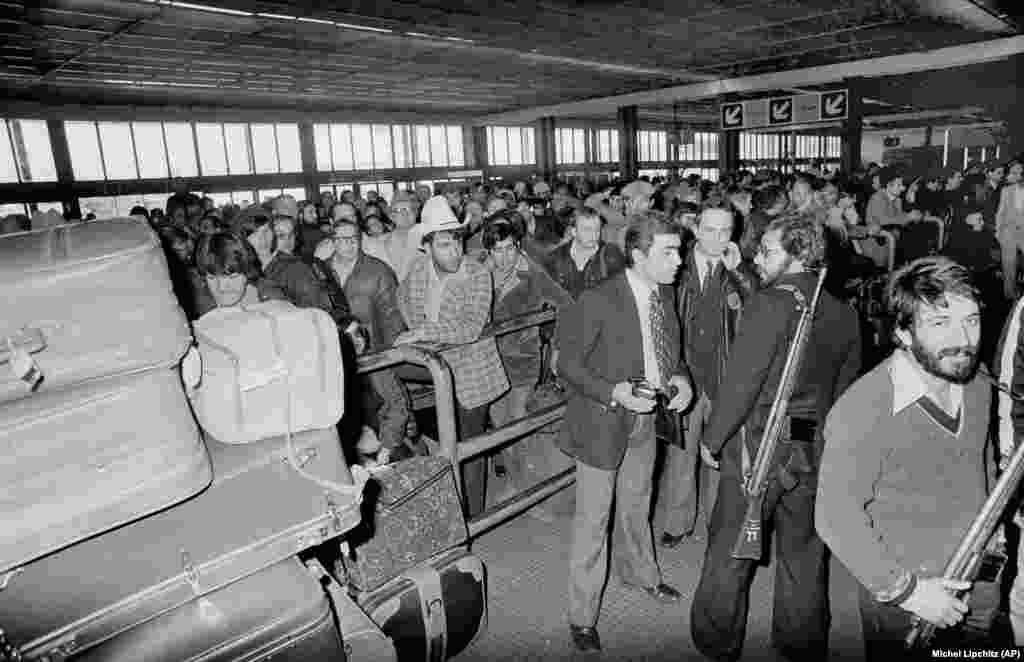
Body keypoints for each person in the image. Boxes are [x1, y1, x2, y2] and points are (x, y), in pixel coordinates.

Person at [690, 213, 861, 662]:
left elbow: (741, 385)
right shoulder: (844, 313)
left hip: (758, 444)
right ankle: (800, 643)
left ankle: (716, 643)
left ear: (798, 254)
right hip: (811, 444)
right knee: (804, 554)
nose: (757, 259)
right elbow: (844, 396)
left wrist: (712, 439)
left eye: (767, 251)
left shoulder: (769, 304)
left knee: (730, 552)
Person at [817, 257, 994, 660]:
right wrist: (910, 592)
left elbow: (981, 461)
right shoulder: (865, 407)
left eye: (971, 320)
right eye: (939, 323)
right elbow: (834, 516)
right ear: (903, 332)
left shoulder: (977, 380)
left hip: (975, 577)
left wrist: (994, 534)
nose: (962, 338)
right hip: (909, 598)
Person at [557, 210, 694, 653]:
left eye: (679, 251)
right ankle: (582, 616)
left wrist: (682, 380)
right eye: (669, 252)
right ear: (638, 255)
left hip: (646, 419)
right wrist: (613, 391)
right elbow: (566, 364)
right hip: (602, 420)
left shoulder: (663, 294)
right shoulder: (598, 299)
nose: (679, 261)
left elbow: (672, 354)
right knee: (593, 522)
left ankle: (641, 574)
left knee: (637, 504)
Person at [396, 196, 510, 518]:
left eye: (457, 242)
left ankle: (471, 518)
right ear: (427, 247)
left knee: (470, 448)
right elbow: (401, 297)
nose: (455, 251)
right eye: (445, 245)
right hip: (436, 365)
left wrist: (424, 332)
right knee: (382, 374)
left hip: (472, 370)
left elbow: (471, 327)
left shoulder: (477, 273)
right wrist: (415, 331)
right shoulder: (418, 270)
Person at [655, 207, 755, 549]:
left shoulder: (741, 269)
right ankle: (678, 522)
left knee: (719, 453)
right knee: (680, 454)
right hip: (683, 374)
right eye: (710, 230)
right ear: (696, 229)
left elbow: (760, 311)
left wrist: (740, 272)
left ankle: (717, 522)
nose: (718, 238)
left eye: (725, 231)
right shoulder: (675, 265)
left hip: (724, 377)